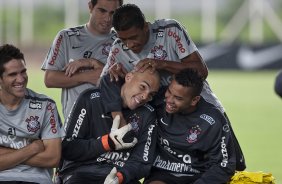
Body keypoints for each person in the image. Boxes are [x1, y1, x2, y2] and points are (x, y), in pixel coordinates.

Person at [100, 3, 246, 171]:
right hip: (164, 122)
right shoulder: (119, 48)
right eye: (124, 39)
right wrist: (115, 77)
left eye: (133, 37)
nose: (130, 45)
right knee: (168, 171)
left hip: (200, 109)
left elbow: (201, 71)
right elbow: (104, 85)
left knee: (232, 167)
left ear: (145, 27)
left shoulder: (170, 30)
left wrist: (161, 64)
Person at [57, 68, 160, 184]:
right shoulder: (90, 98)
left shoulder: (147, 114)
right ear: (129, 77)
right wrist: (107, 142)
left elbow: (142, 163)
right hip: (81, 173)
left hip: (118, 176)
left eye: (151, 94)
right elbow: (68, 148)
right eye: (142, 87)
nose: (145, 96)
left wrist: (120, 177)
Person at [143, 68, 236, 184]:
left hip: (198, 176)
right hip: (161, 174)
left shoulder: (213, 120)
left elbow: (225, 164)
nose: (169, 100)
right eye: (169, 92)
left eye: (178, 98)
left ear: (194, 100)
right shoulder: (155, 100)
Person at [41, 0, 123, 120]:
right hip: (74, 124)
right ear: (90, 7)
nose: (107, 18)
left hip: (108, 123)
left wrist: (94, 65)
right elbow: (50, 79)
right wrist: (87, 76)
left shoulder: (122, 42)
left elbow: (127, 83)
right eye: (102, 11)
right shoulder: (66, 37)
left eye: (113, 13)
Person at [0, 44, 64, 183]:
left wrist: (6, 154)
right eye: (13, 74)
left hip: (35, 180)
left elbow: (53, 158)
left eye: (23, 71)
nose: (21, 79)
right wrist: (31, 149)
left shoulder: (46, 105)